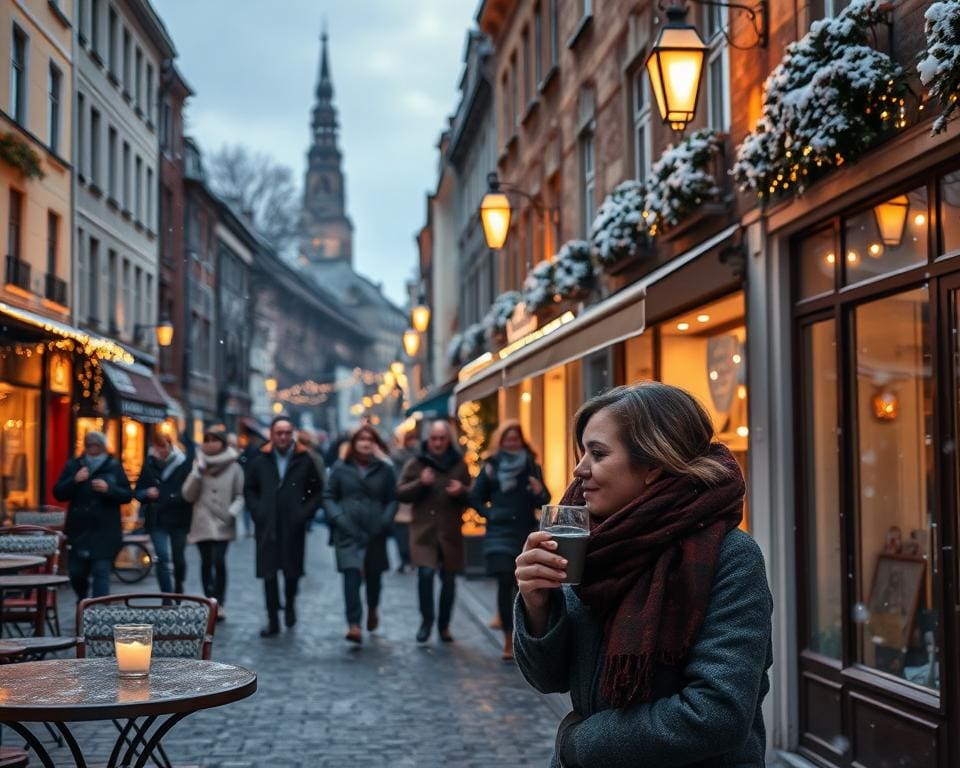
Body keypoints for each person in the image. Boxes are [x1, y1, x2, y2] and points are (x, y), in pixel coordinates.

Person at [513, 383, 773, 768]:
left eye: (598, 454)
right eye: (583, 452)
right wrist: (537, 604)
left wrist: (581, 744)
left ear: (653, 464)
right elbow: (550, 678)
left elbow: (716, 714)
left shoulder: (730, 556)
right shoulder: (596, 543)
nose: (579, 469)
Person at [470, 420, 549, 661]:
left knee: (522, 584)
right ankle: (508, 638)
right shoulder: (491, 466)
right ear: (501, 441)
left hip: (523, 530)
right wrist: (489, 514)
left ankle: (524, 635)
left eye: (515, 439)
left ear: (521, 441)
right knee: (505, 581)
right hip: (498, 531)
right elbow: (475, 496)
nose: (511, 443)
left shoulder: (531, 466)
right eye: (507, 439)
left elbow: (544, 501)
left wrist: (539, 491)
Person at [244, 416, 324, 637]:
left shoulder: (303, 459)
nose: (283, 437)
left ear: (293, 434)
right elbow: (249, 487)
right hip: (267, 525)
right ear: (271, 434)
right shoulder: (260, 458)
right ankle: (273, 620)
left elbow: (316, 491)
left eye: (287, 432)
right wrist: (257, 511)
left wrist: (303, 513)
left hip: (293, 525)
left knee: (291, 572)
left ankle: (289, 604)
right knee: (269, 573)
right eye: (279, 432)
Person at [396, 420, 471, 644]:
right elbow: (400, 493)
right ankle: (426, 621)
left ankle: (444, 625)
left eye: (442, 438)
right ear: (428, 440)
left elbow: (472, 495)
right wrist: (421, 483)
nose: (438, 443)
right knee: (425, 575)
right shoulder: (416, 463)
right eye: (434, 438)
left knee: (449, 580)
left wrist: (461, 491)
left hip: (449, 532)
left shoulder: (459, 464)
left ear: (448, 440)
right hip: (423, 533)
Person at [324, 425, 397, 644]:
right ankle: (354, 624)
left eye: (370, 439)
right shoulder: (341, 468)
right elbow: (328, 496)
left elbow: (393, 498)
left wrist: (384, 520)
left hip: (375, 532)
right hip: (347, 532)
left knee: (374, 577)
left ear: (375, 444)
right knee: (351, 576)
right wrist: (338, 517)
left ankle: (373, 608)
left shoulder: (385, 469)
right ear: (354, 443)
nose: (365, 443)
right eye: (361, 439)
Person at [53, 431, 133, 599]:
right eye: (89, 445)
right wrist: (74, 480)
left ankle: (98, 615)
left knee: (101, 573)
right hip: (79, 532)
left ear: (103, 447)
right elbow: (58, 493)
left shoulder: (113, 466)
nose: (92, 448)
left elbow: (127, 495)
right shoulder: (75, 465)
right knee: (76, 574)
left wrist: (109, 489)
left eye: (96, 445)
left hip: (105, 532)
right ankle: (83, 603)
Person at [182, 426, 244, 621]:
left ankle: (220, 602)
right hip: (202, 521)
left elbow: (240, 495)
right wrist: (197, 474)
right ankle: (210, 600)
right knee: (206, 562)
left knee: (219, 560)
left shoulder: (235, 466)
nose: (209, 443)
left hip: (223, 521)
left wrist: (231, 513)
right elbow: (188, 495)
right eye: (206, 440)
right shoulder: (198, 464)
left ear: (223, 443)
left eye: (214, 439)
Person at [133, 432, 192, 595]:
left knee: (178, 559)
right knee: (162, 557)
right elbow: (137, 492)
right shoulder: (149, 463)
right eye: (157, 447)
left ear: (170, 445)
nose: (160, 451)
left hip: (179, 517)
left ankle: (179, 585)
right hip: (156, 519)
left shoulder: (183, 464)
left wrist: (169, 495)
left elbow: (190, 491)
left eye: (163, 447)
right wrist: (146, 493)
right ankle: (166, 597)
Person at [390, 427, 419, 573]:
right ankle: (403, 559)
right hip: (401, 499)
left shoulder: (421, 457)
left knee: (412, 531)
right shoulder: (398, 457)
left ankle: (411, 559)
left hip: (415, 499)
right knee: (401, 532)